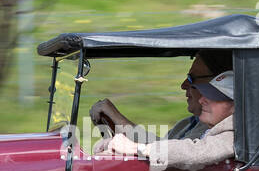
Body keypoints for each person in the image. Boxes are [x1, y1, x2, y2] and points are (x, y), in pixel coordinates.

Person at [89, 50, 232, 149]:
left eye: (192, 79)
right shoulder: (188, 124)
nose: (183, 85)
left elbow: (183, 154)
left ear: (220, 86)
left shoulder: (224, 131)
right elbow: (161, 146)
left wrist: (135, 149)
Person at [101, 71, 236, 171]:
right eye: (205, 94)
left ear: (236, 105)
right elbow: (169, 145)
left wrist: (135, 148)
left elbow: (197, 152)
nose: (202, 100)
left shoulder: (236, 131)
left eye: (214, 97)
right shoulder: (193, 124)